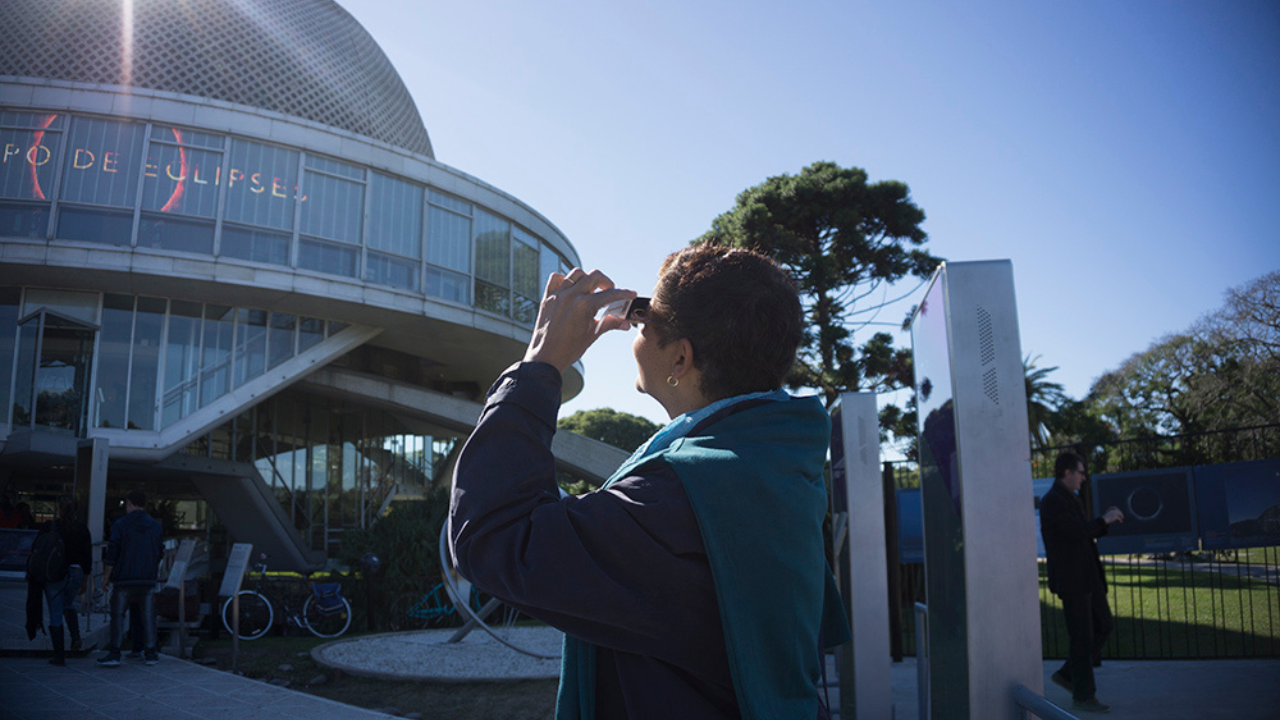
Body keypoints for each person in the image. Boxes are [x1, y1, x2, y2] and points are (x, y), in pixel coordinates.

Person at [450, 245, 849, 719]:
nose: (633, 333)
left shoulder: (682, 498)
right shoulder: (772, 467)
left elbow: (493, 536)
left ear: (680, 359)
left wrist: (540, 365)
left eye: (642, 320)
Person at [1040, 451, 1124, 714]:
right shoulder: (1053, 501)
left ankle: (1068, 674)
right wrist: (1104, 520)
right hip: (1072, 580)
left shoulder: (1069, 499)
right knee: (1083, 638)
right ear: (1067, 473)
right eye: (1081, 472)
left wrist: (1102, 522)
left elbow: (1083, 532)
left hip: (1088, 578)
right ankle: (1083, 695)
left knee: (1104, 626)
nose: (1084, 478)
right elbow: (1075, 533)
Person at [98, 490, 164, 667]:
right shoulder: (155, 526)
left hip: (124, 578)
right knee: (148, 616)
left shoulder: (120, 524)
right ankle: (151, 653)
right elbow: (160, 552)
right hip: (147, 579)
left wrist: (106, 577)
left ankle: (114, 653)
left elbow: (113, 552)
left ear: (129, 503)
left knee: (117, 615)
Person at [51, 499, 93, 657]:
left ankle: (58, 652)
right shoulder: (81, 529)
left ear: (58, 509)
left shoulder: (52, 527)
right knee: (67, 604)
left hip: (55, 572)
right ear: (76, 511)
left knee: (56, 608)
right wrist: (85, 580)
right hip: (75, 571)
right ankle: (75, 636)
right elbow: (87, 557)